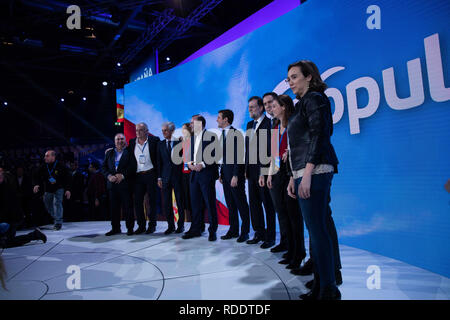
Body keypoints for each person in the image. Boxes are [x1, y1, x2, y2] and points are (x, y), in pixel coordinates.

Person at [286, 60, 341, 300]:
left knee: (317, 231)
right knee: (319, 229)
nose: (290, 83)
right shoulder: (303, 104)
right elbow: (299, 144)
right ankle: (321, 284)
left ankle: (328, 289)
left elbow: (320, 135)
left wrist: (306, 173)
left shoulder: (315, 99)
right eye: (288, 79)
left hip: (315, 171)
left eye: (294, 77)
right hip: (304, 171)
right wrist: (293, 176)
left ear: (309, 77)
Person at [266, 94, 306, 270]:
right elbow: (274, 155)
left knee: (294, 215)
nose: (271, 109)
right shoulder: (275, 128)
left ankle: (299, 253)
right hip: (277, 174)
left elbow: (295, 152)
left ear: (283, 107)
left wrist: (291, 176)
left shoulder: (292, 125)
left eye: (274, 106)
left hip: (291, 173)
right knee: (282, 213)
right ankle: (290, 250)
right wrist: (268, 174)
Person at [245, 96, 276, 249]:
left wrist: (264, 172)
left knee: (268, 204)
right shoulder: (249, 125)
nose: (250, 109)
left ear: (261, 108)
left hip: (264, 171)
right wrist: (245, 170)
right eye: (249, 107)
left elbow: (270, 150)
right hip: (251, 172)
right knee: (254, 204)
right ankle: (259, 233)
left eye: (253, 107)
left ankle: (270, 237)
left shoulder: (269, 123)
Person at [183, 116, 219, 241]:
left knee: (209, 203)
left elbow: (215, 155)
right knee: (195, 204)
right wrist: (190, 164)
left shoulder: (211, 136)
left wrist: (202, 164)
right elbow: (188, 156)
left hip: (206, 174)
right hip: (194, 175)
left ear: (201, 123)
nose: (190, 125)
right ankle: (196, 229)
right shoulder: (191, 138)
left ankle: (212, 230)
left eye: (192, 122)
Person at [216, 109, 250, 242]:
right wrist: (221, 173)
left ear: (226, 119)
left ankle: (245, 232)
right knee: (230, 204)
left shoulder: (236, 134)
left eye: (219, 117)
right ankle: (233, 230)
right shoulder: (222, 135)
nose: (217, 120)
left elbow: (239, 156)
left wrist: (236, 175)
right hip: (226, 175)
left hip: (235, 175)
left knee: (241, 204)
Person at [127, 123, 160, 234]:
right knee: (137, 202)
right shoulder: (132, 143)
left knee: (152, 202)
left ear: (147, 131)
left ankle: (152, 225)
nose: (138, 132)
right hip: (138, 177)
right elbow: (124, 153)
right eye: (137, 130)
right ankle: (141, 226)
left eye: (141, 130)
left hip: (151, 174)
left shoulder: (154, 140)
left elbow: (161, 156)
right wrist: (111, 151)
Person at [1, 169, 47, 248]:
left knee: (6, 243)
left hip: (10, 220)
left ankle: (34, 235)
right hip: (7, 219)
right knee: (5, 242)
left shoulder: (7, 189)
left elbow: (9, 209)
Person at [102, 133, 135, 236]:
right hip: (112, 185)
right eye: (117, 139)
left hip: (125, 185)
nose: (120, 141)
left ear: (125, 140)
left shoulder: (130, 152)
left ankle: (130, 229)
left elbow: (133, 167)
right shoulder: (109, 153)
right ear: (115, 141)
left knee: (128, 208)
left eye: (122, 139)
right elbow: (103, 168)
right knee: (114, 208)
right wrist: (109, 176)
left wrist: (123, 175)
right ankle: (115, 228)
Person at [157, 122, 185, 234]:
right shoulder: (160, 144)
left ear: (172, 130)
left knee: (180, 202)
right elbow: (159, 162)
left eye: (166, 130)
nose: (163, 132)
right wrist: (159, 178)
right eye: (162, 130)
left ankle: (181, 226)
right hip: (165, 178)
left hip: (178, 177)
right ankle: (170, 226)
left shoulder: (180, 142)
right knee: (167, 203)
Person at [32, 150, 71, 230]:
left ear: (53, 156)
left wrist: (67, 189)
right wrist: (36, 184)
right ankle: (56, 217)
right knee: (47, 204)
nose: (44, 157)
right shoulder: (43, 166)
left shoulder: (61, 166)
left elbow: (68, 178)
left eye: (47, 156)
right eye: (45, 156)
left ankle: (58, 222)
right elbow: (35, 175)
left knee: (57, 203)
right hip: (48, 189)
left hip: (59, 188)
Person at [180, 123, 193, 222]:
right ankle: (188, 222)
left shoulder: (193, 141)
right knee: (185, 200)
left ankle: (194, 222)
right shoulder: (182, 142)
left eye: (185, 129)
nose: (183, 131)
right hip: (183, 174)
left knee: (192, 199)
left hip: (191, 173)